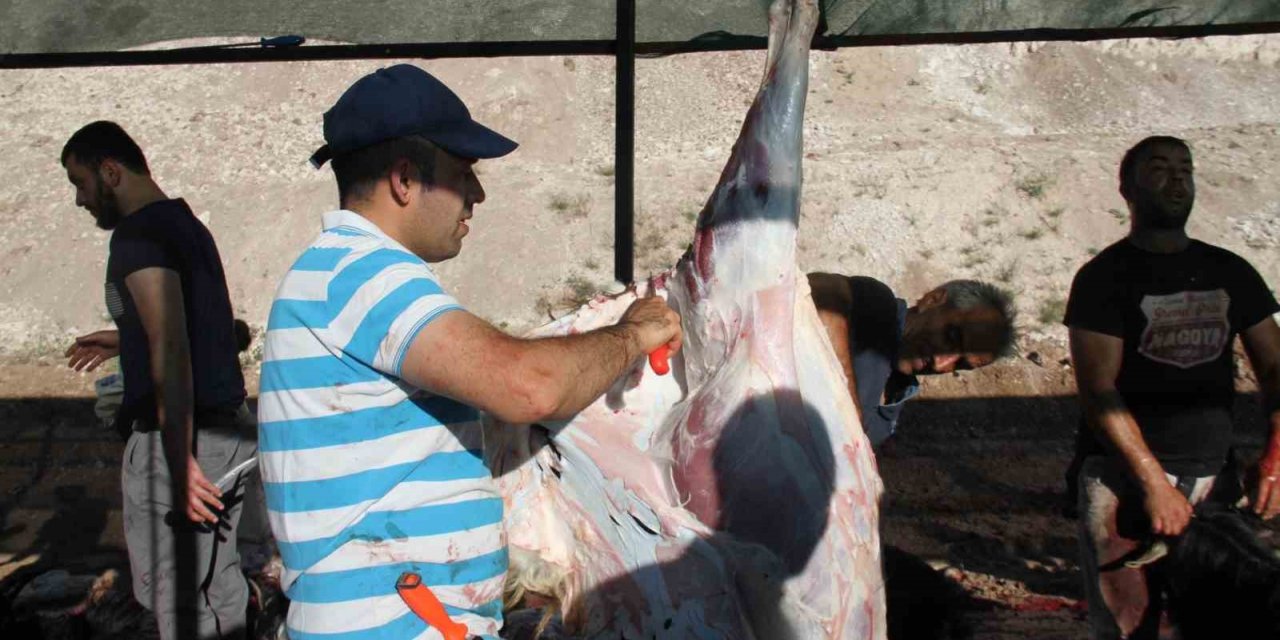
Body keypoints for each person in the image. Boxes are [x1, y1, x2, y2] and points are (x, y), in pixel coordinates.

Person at [259, 64, 682, 639]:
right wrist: (633, 334)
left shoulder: (342, 274)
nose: (477, 195)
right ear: (404, 180)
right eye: (462, 174)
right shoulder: (360, 273)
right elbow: (527, 386)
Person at [1065, 135, 1280, 639]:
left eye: (1186, 168)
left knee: (1225, 623)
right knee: (1127, 628)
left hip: (1212, 481)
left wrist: (1275, 451)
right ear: (1127, 189)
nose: (1177, 178)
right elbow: (1098, 391)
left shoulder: (1229, 270)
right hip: (1121, 483)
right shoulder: (1103, 278)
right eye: (1159, 168)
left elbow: (1275, 368)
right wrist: (1154, 483)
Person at [61, 121, 258, 639]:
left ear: (110, 171)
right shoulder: (186, 224)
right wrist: (124, 336)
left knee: (178, 600)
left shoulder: (138, 235)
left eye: (80, 183)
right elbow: (217, 326)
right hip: (230, 437)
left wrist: (177, 460)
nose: (81, 201)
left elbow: (171, 349)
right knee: (222, 584)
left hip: (182, 443)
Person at [807, 273, 1016, 448]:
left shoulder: (894, 404)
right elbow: (821, 288)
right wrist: (846, 401)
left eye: (961, 365)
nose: (940, 364)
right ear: (932, 300)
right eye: (951, 338)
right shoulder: (877, 308)